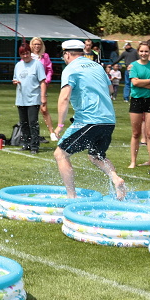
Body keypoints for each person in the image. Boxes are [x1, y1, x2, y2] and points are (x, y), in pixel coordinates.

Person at [53, 40, 125, 199]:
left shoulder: (70, 69)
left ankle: (71, 196)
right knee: (96, 156)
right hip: (108, 120)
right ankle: (115, 178)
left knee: (61, 154)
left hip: (89, 120)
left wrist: (59, 125)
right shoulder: (97, 66)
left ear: (67, 54)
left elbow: (64, 98)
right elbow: (110, 89)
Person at [127, 42, 150, 169]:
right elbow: (135, 83)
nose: (144, 53)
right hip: (136, 100)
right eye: (141, 51)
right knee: (136, 133)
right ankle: (133, 161)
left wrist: (142, 83)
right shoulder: (133, 66)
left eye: (146, 51)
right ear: (138, 52)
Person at [13, 44, 46, 154]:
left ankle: (34, 146)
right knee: (23, 123)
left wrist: (43, 97)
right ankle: (26, 143)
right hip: (21, 98)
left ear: (30, 53)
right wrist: (15, 82)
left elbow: (42, 81)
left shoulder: (37, 64)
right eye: (23, 54)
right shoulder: (18, 65)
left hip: (33, 97)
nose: (25, 56)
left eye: (27, 53)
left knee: (33, 122)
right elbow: (15, 78)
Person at [29, 37, 57, 141]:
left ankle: (52, 132)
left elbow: (49, 69)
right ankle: (31, 133)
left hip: (42, 86)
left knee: (44, 109)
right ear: (31, 45)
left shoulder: (45, 56)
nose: (37, 46)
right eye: (35, 44)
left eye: (39, 44)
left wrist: (47, 80)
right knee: (30, 110)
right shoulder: (28, 56)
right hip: (30, 86)